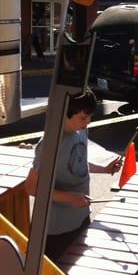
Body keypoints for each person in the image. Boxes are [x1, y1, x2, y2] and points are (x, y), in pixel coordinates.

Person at [24, 89, 123, 261]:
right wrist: (70, 197)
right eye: (83, 117)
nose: (89, 121)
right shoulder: (51, 145)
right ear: (64, 114)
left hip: (81, 216)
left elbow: (78, 164)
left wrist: (104, 169)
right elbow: (32, 187)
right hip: (57, 228)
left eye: (90, 116)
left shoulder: (80, 130)